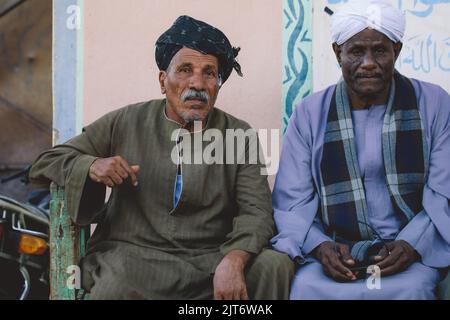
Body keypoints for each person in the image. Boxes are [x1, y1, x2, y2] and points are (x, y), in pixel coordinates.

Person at [29, 15, 294, 300]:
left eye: (209, 73)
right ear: (162, 80)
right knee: (115, 285)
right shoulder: (126, 121)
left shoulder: (239, 134)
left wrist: (234, 260)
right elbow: (45, 164)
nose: (197, 83)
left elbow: (256, 212)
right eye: (184, 70)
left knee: (273, 265)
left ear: (218, 84)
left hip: (210, 263)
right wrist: (91, 165)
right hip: (137, 261)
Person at [271, 0, 450, 299]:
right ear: (337, 53)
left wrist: (412, 244)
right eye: (356, 51)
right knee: (305, 287)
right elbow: (292, 200)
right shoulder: (310, 113)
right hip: (336, 255)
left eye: (379, 50)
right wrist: (320, 245)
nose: (368, 62)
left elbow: (443, 191)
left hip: (409, 256)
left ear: (397, 51)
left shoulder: (434, 104)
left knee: (414, 289)